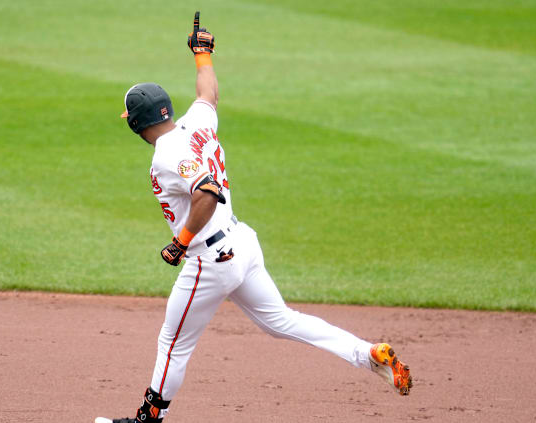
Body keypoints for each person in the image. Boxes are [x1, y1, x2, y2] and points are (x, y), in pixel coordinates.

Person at [95, 11, 412, 423]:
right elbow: (208, 95)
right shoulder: (196, 123)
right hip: (241, 243)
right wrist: (202, 54)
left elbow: (205, 192)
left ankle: (148, 420)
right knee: (282, 321)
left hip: (211, 260)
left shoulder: (165, 156)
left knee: (173, 342)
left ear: (135, 123)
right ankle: (366, 354)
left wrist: (181, 241)